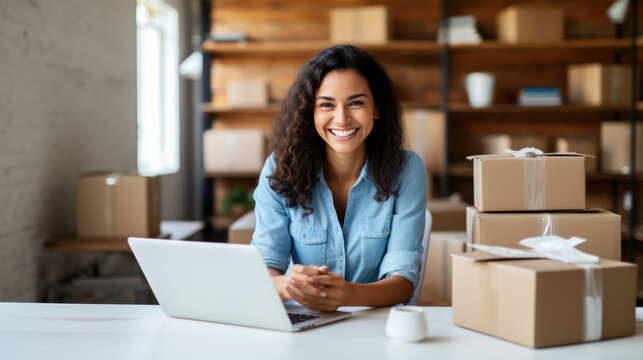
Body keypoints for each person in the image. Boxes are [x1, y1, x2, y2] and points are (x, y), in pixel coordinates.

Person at [251, 45, 427, 311]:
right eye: (326, 105)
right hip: (306, 322)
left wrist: (347, 295)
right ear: (309, 112)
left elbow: (403, 282)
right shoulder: (280, 168)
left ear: (376, 108)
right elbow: (264, 267)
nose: (342, 119)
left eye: (356, 103)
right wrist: (290, 286)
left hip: (373, 325)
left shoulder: (407, 170)